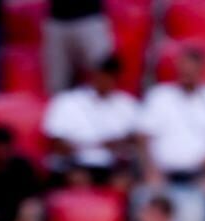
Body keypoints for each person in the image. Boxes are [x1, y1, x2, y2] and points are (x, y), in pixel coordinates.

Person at [138, 45, 205, 185]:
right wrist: (150, 167)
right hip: (163, 172)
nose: (187, 74)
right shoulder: (159, 96)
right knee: (150, 188)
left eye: (191, 71)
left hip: (203, 173)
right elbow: (143, 136)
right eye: (184, 70)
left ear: (203, 70)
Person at [42, 56, 139, 185]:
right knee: (78, 178)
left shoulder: (127, 104)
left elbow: (134, 140)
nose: (104, 80)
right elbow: (57, 143)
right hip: (74, 164)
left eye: (109, 76)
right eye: (101, 74)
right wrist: (93, 146)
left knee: (123, 182)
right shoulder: (68, 101)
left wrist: (117, 145)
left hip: (112, 167)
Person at [43, 0, 113, 95]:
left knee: (104, 73)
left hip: (91, 18)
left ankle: (106, 103)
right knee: (57, 84)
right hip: (57, 20)